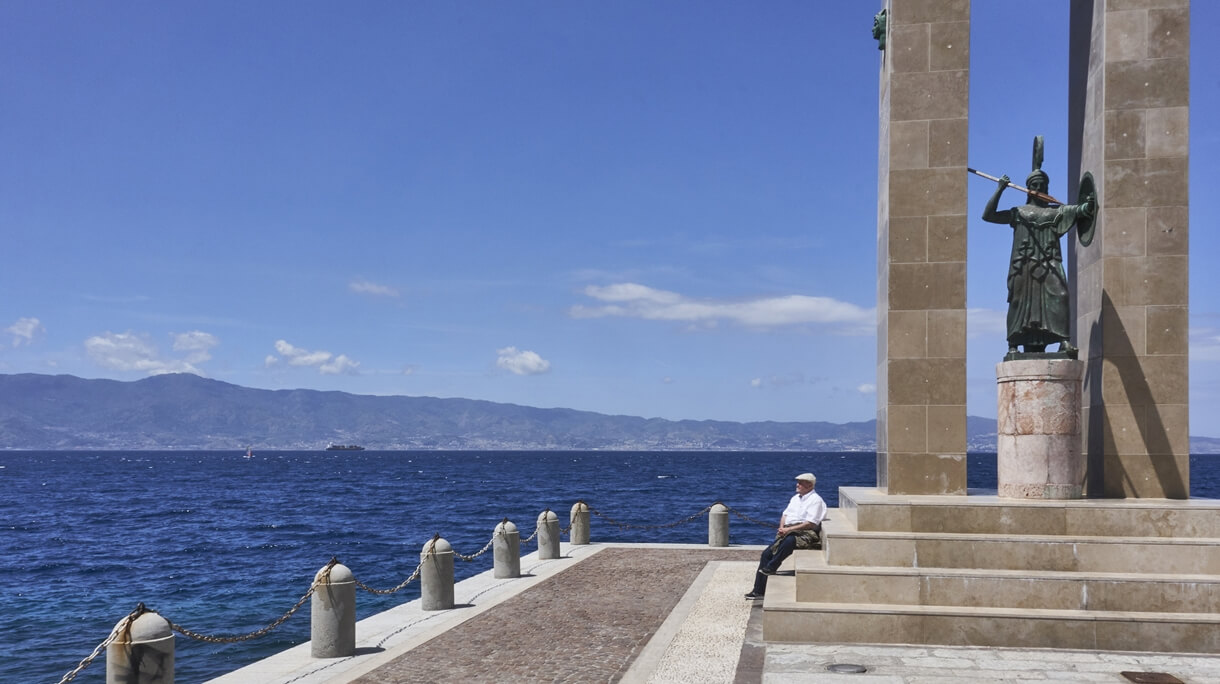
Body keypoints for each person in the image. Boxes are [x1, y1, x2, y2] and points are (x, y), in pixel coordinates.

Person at [981, 136, 1095, 357]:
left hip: (1050, 262)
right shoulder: (1019, 212)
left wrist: (1087, 205)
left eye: (1042, 185)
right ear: (1027, 189)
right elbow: (989, 215)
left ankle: (1063, 341)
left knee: (1060, 295)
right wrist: (1000, 190)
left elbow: (1079, 210)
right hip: (1023, 264)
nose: (1038, 188)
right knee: (1018, 302)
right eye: (1034, 185)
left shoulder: (1056, 212)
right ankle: (1013, 344)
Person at [745, 472, 826, 600]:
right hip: (789, 529)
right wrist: (782, 528)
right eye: (797, 482)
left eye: (801, 482)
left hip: (806, 532)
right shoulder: (795, 498)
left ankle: (772, 567)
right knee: (766, 554)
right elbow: (785, 515)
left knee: (790, 541)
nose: (797, 485)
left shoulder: (816, 500)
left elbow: (810, 524)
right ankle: (758, 591)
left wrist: (789, 530)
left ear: (809, 485)